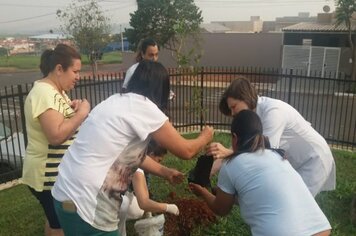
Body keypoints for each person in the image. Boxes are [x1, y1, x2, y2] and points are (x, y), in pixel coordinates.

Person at [52, 60, 213, 235]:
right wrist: (205, 137)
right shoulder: (144, 106)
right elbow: (186, 150)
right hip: (89, 204)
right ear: (160, 88)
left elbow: (127, 154)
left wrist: (165, 171)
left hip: (64, 193)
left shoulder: (114, 101)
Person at [190, 110, 332, 236]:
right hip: (320, 229)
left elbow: (221, 209)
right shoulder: (276, 155)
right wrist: (220, 192)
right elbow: (256, 195)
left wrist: (202, 191)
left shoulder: (231, 164)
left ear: (235, 137)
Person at [207, 77, 335, 197]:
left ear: (245, 98)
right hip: (296, 160)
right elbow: (241, 144)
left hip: (313, 160)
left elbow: (265, 154)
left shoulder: (273, 112)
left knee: (296, 203)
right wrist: (211, 170)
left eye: (234, 107)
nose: (232, 113)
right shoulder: (252, 117)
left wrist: (228, 153)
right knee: (284, 199)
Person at [22, 44, 90, 236]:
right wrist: (82, 114)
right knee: (62, 225)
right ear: (59, 69)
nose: (78, 76)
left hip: (55, 175)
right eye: (75, 71)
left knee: (54, 221)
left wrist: (73, 109)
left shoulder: (57, 91)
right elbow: (56, 135)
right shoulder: (44, 92)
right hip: (47, 176)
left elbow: (61, 120)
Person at [117, 140, 179, 236]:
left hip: (116, 192)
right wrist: (169, 208)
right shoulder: (137, 168)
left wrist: (149, 213)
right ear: (151, 154)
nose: (159, 164)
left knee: (135, 208)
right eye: (159, 160)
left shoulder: (143, 170)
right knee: (124, 204)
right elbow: (144, 202)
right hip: (102, 200)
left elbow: (145, 192)